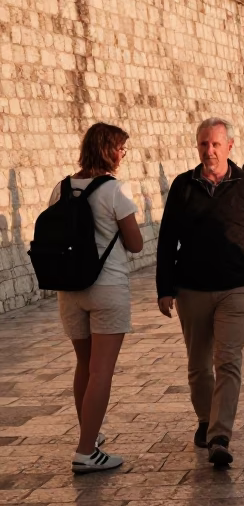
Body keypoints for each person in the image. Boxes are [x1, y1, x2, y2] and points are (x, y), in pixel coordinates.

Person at [157, 117, 244, 469]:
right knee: (198, 366)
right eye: (204, 144)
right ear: (198, 146)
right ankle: (206, 421)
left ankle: (220, 435)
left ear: (229, 147)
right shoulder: (182, 186)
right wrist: (164, 288)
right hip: (191, 287)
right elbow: (166, 240)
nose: (209, 150)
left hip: (236, 286)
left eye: (216, 144)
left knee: (228, 361)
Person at [48, 123, 143, 474]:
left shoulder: (61, 188)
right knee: (102, 370)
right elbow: (135, 244)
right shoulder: (114, 190)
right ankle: (86, 450)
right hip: (107, 288)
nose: (123, 154)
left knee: (84, 367)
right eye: (121, 148)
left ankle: (91, 433)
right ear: (108, 150)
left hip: (69, 290)